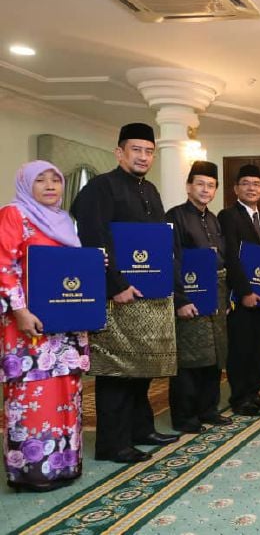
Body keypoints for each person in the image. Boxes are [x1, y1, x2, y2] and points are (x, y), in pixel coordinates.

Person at [72, 123, 179, 463]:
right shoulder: (101, 188)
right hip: (118, 296)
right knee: (116, 371)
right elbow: (93, 239)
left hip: (149, 297)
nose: (143, 156)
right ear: (119, 152)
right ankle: (111, 443)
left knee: (142, 368)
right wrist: (115, 285)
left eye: (149, 151)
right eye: (136, 149)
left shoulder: (151, 190)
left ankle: (140, 429)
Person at [1, 161, 90, 491]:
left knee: (66, 390)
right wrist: (20, 310)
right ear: (26, 184)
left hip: (65, 323)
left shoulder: (65, 221)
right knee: (33, 393)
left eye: (56, 179)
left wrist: (95, 264)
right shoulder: (14, 214)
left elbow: (73, 267)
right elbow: (3, 264)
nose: (51, 185)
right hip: (29, 324)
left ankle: (65, 464)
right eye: (41, 180)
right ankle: (32, 471)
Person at [165, 161, 231, 433]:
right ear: (189, 186)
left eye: (211, 185)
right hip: (189, 296)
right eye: (200, 184)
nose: (205, 190)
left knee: (214, 356)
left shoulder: (212, 219)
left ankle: (208, 409)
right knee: (190, 360)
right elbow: (171, 261)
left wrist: (226, 299)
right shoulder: (175, 216)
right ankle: (185, 417)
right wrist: (180, 300)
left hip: (215, 295)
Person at [219, 164, 260, 416]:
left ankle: (254, 392)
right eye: (245, 183)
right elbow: (231, 257)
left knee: (259, 345)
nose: (251, 188)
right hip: (241, 295)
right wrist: (244, 291)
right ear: (236, 189)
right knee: (241, 347)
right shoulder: (228, 216)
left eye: (256, 184)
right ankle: (240, 397)